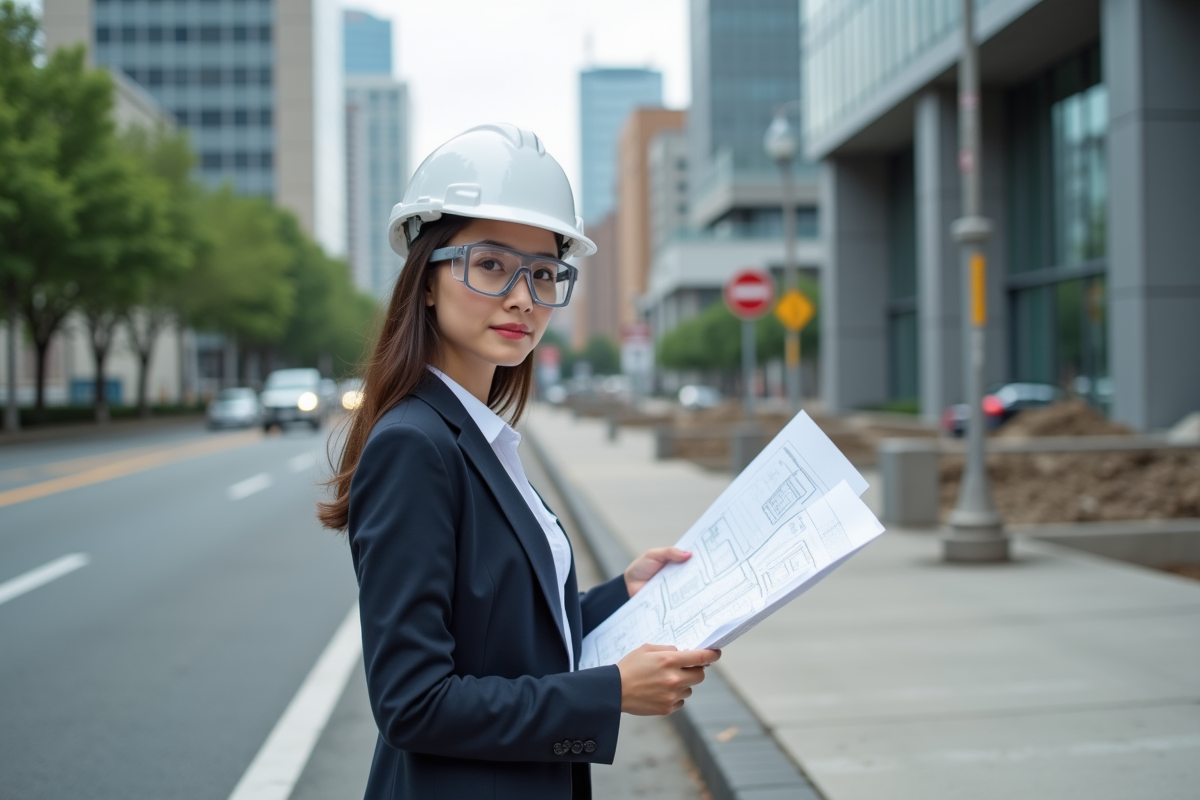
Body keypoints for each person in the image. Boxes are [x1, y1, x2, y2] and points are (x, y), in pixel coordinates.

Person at [318, 124, 720, 800]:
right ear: (426, 281)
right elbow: (412, 702)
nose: (522, 297)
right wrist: (608, 694)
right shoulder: (415, 445)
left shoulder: (479, 436)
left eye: (542, 272)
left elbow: (507, 635)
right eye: (491, 265)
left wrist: (624, 593)